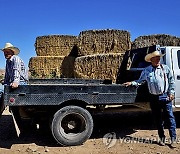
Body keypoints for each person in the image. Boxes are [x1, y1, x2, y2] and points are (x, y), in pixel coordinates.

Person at [123, 50, 177, 148]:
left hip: (165, 96)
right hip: (154, 98)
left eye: (159, 58)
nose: (158, 60)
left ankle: (173, 139)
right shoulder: (147, 70)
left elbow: (171, 81)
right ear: (151, 60)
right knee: (158, 119)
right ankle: (162, 139)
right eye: (156, 58)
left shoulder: (166, 69)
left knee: (170, 118)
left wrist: (172, 93)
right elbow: (140, 81)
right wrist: (132, 83)